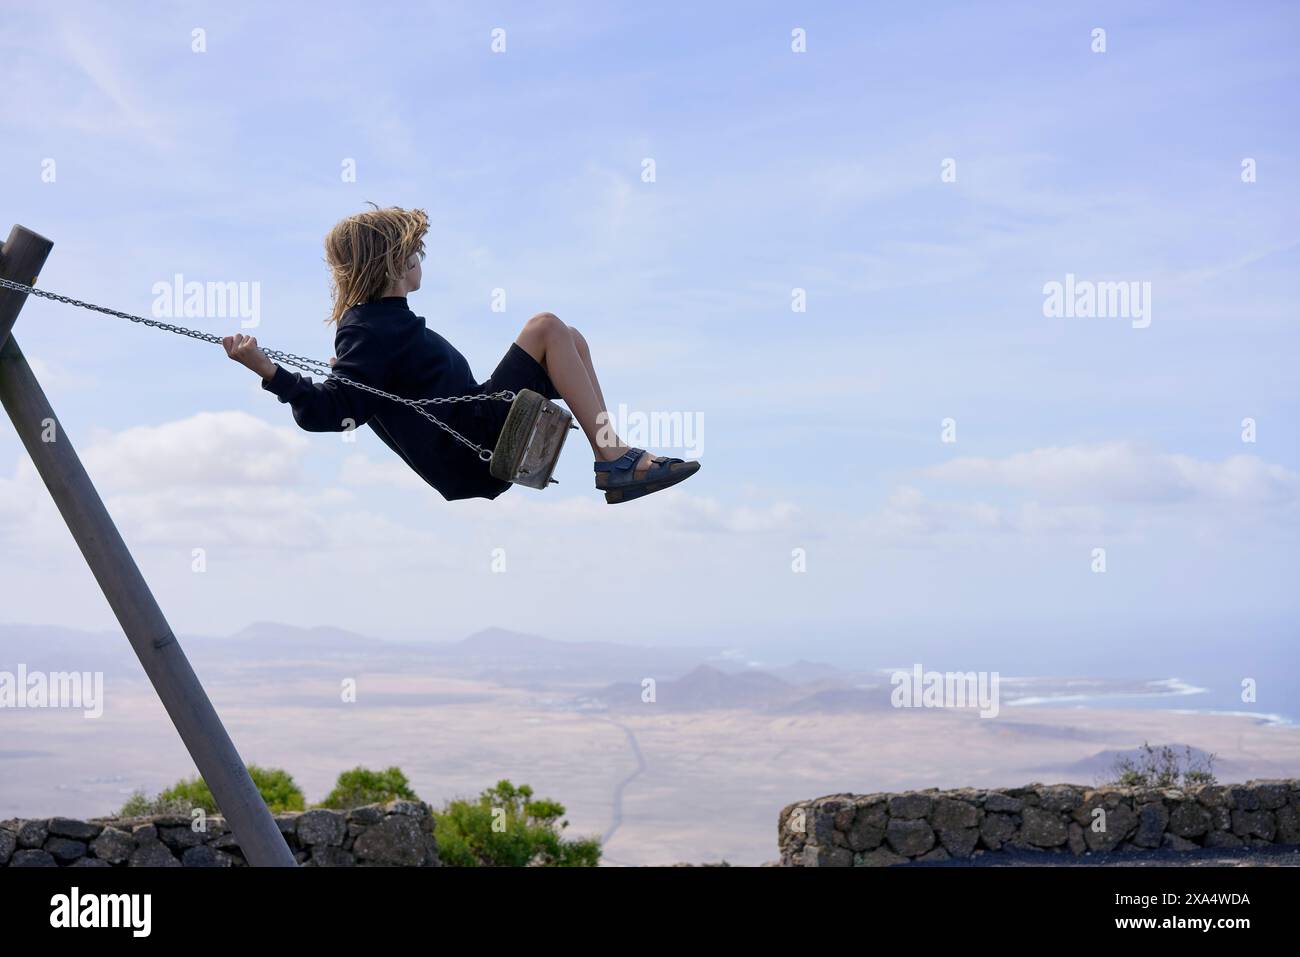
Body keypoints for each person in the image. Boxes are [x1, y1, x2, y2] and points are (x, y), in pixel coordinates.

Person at [222, 204, 699, 503]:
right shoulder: (368, 327)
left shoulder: (386, 325)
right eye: (414, 252)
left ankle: (612, 457)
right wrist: (266, 369)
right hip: (469, 444)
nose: (420, 260)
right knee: (546, 327)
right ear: (392, 261)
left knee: (569, 338)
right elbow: (332, 411)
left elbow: (367, 389)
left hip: (475, 429)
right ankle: (613, 458)